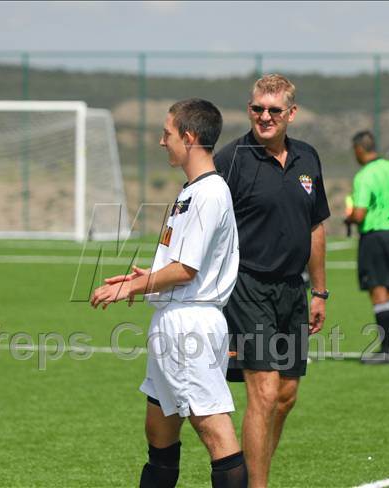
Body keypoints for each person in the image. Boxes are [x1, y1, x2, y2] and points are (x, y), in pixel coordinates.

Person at [91, 99, 247, 487]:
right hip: (174, 319)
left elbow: (186, 270)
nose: (162, 141)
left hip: (190, 325)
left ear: (189, 137)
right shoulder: (191, 190)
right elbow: (183, 265)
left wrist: (132, 286)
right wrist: (150, 278)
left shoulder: (209, 193)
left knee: (215, 431)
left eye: (167, 133)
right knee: (159, 432)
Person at [214, 74, 330, 488]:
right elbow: (202, 219)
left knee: (284, 396)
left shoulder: (307, 158)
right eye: (257, 108)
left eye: (274, 110)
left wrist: (319, 291)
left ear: (291, 114)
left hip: (293, 291)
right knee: (263, 392)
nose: (264, 116)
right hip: (247, 288)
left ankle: (249, 477)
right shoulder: (231, 160)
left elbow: (315, 226)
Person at [345, 130, 389, 363]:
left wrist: (349, 217)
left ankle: (386, 350)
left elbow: (359, 214)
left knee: (378, 290)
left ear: (359, 149)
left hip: (375, 237)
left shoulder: (364, 175)